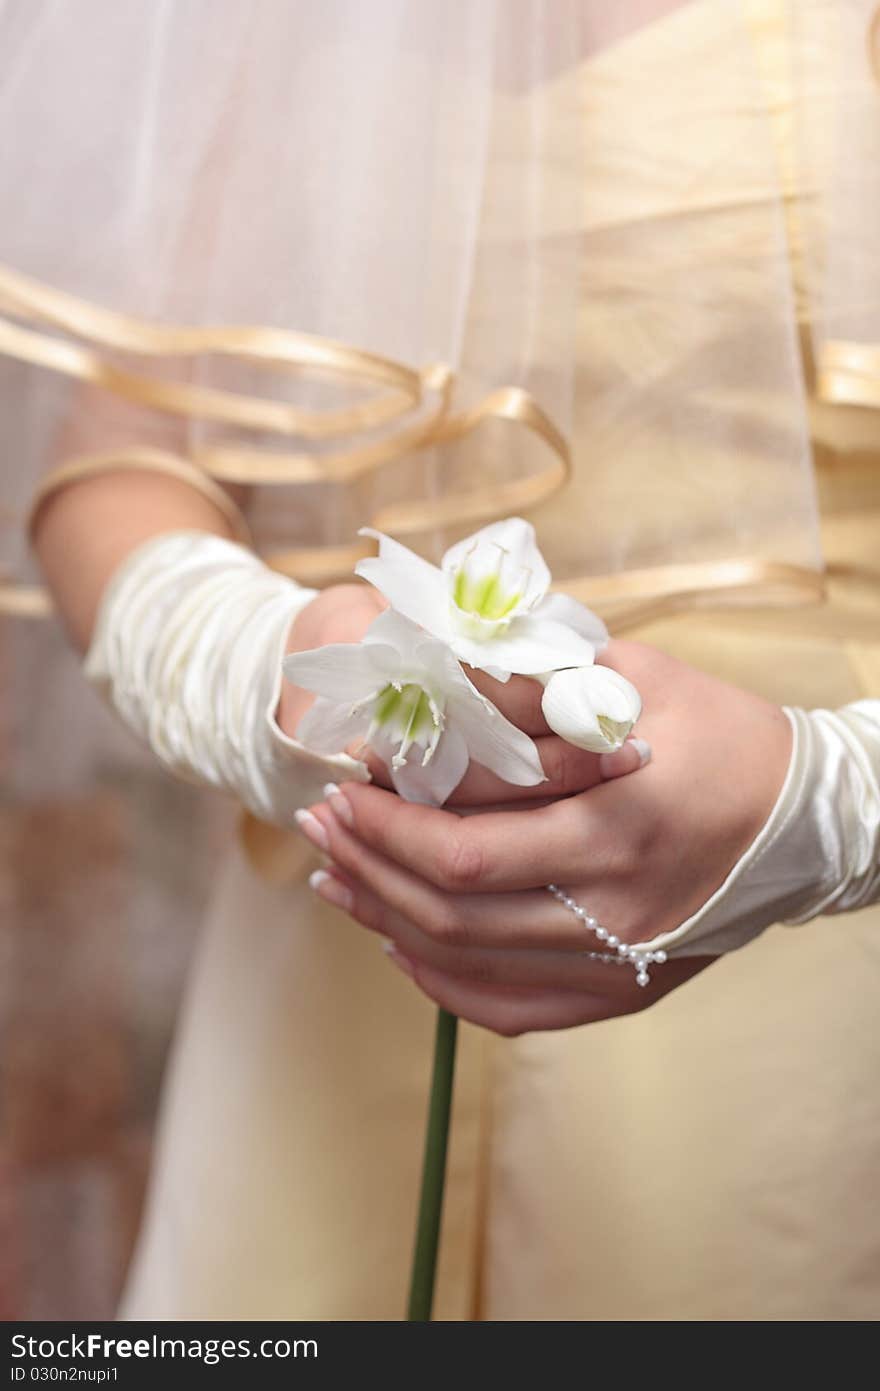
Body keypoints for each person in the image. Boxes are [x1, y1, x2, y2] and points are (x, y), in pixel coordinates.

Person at [3, 0, 880, 1319]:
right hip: (334, 962)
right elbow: (116, 456)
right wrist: (261, 671)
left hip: (796, 1021)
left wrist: (832, 802)